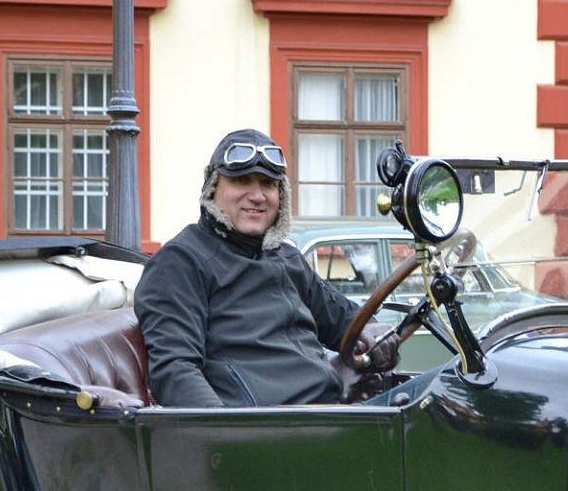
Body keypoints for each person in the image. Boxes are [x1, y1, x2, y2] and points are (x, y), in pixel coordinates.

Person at [135, 128, 392, 407]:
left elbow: (342, 319)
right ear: (213, 188)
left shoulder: (286, 257)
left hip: (329, 410)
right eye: (241, 181)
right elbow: (176, 371)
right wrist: (222, 427)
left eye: (268, 184)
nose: (257, 196)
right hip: (271, 425)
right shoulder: (181, 261)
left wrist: (373, 330)